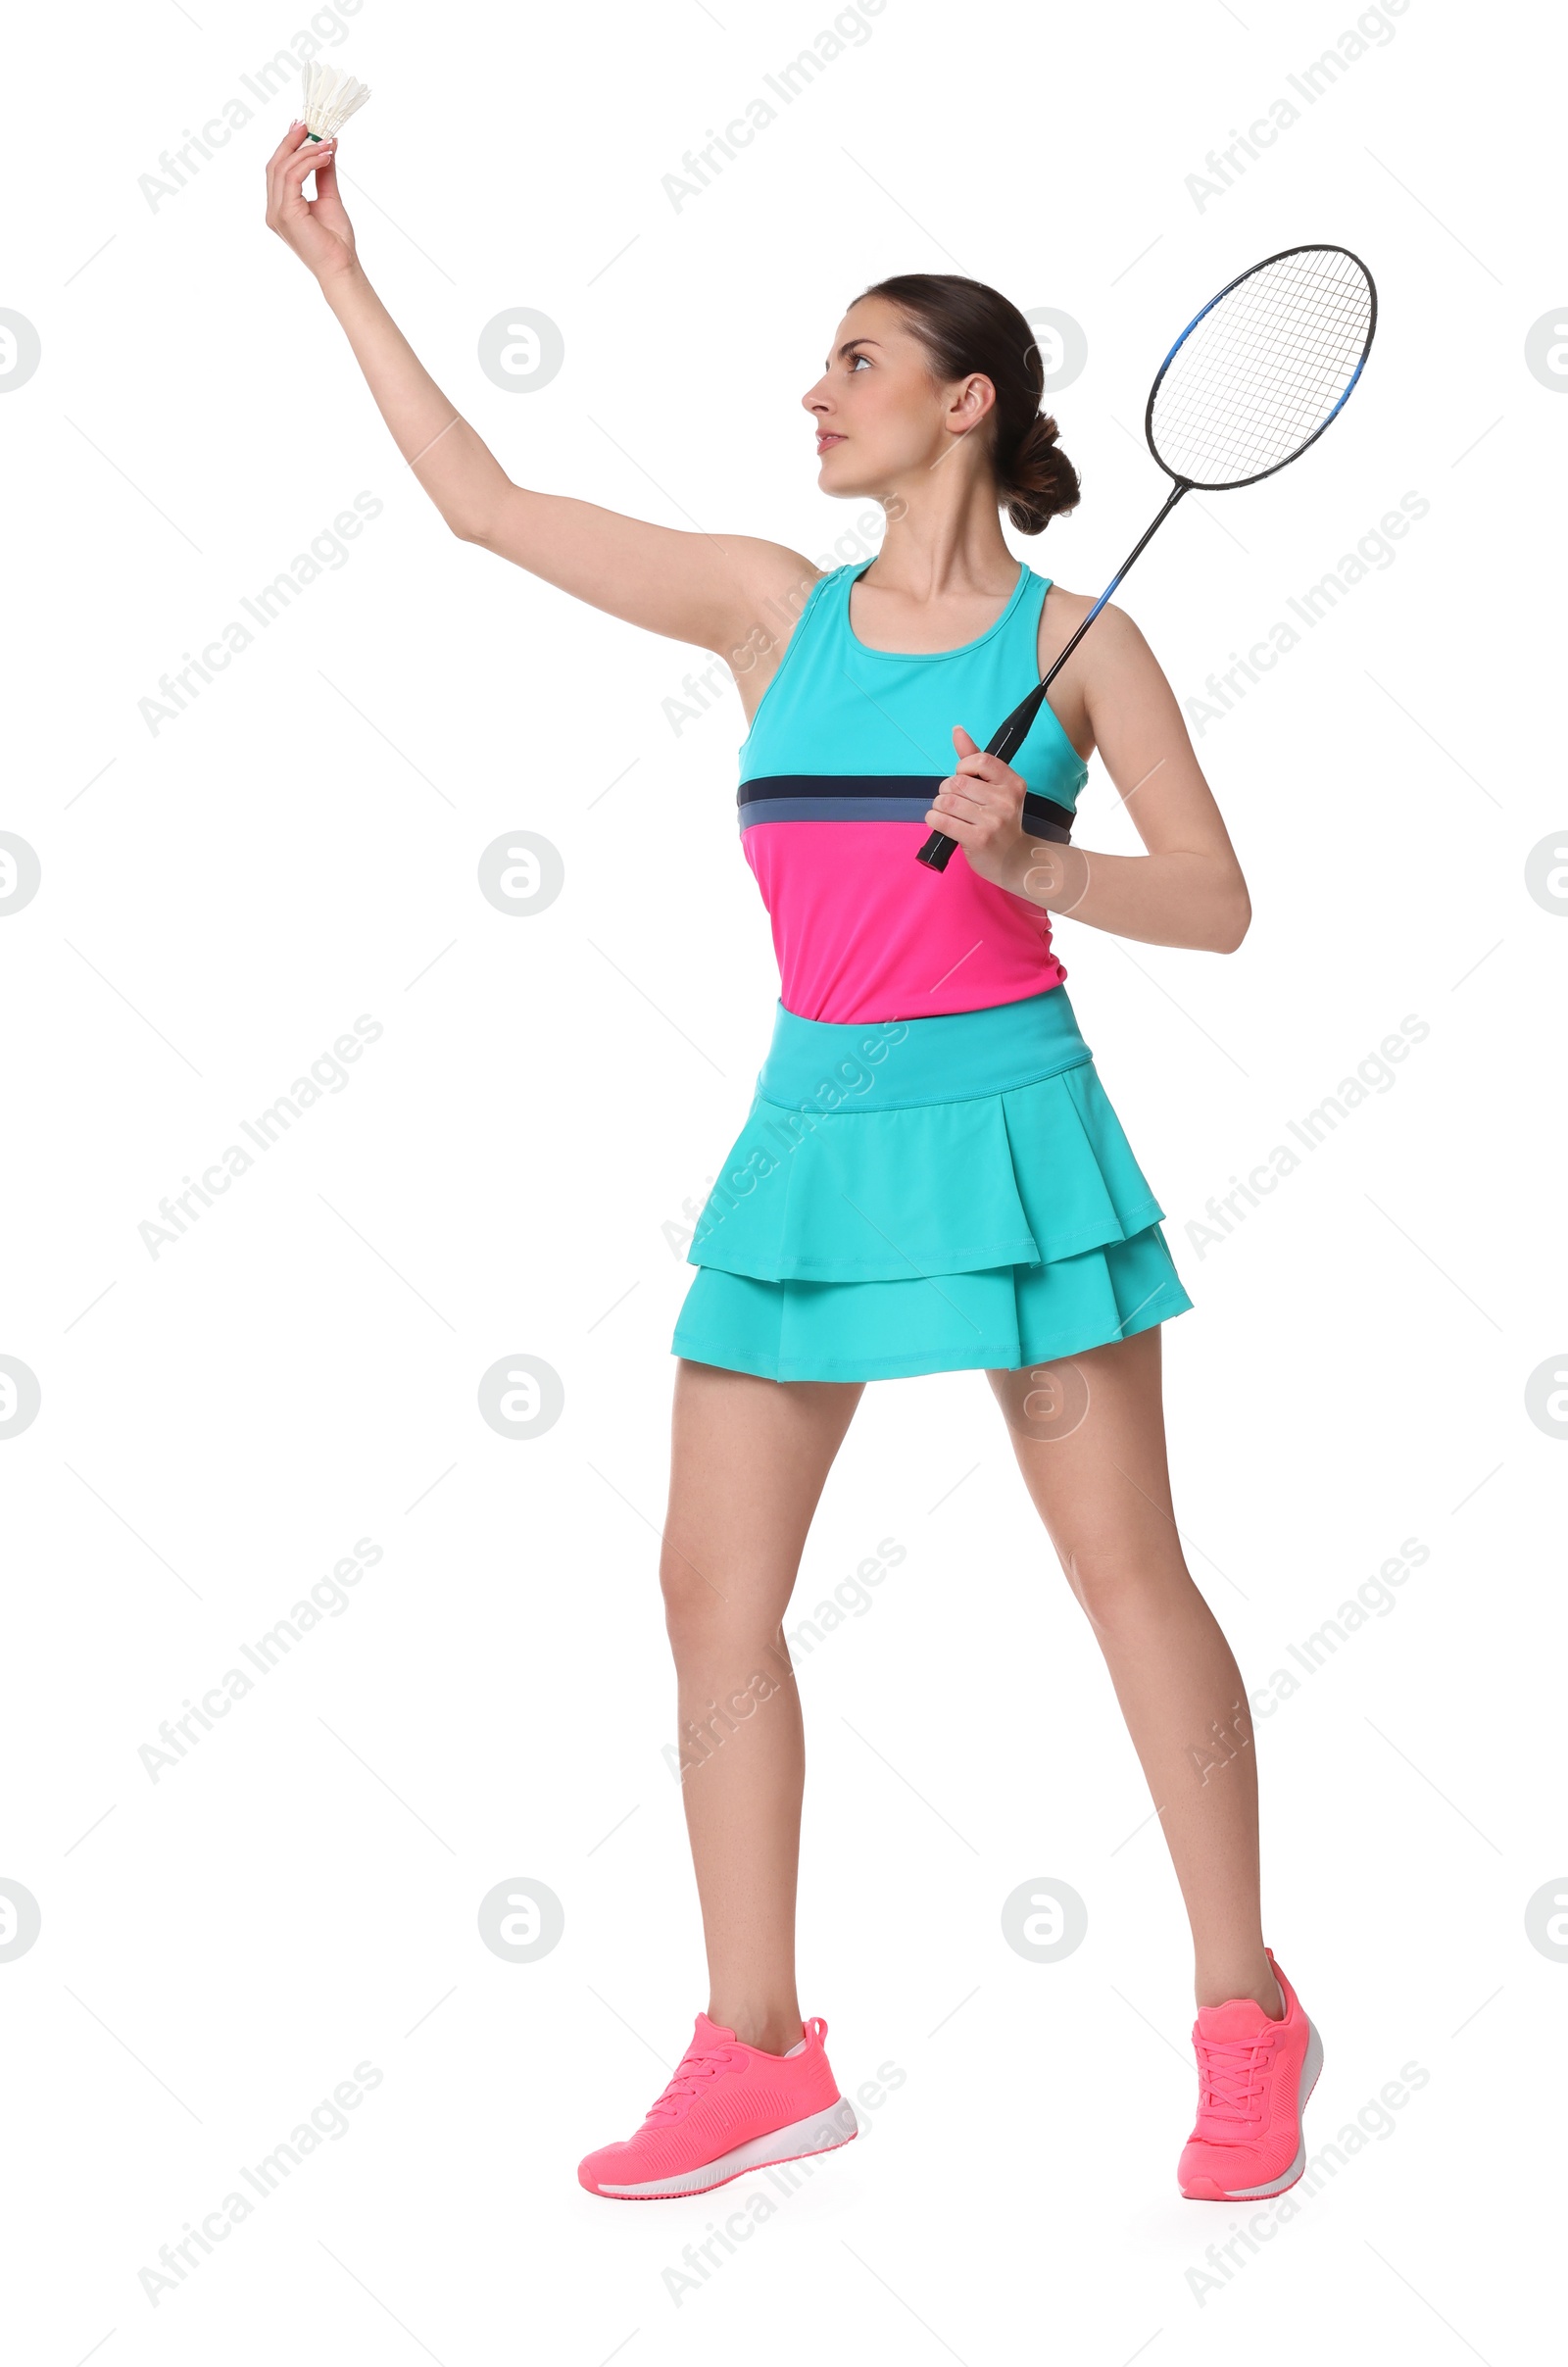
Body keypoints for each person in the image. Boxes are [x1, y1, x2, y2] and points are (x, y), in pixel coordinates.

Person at [266, 121, 1321, 2207]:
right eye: (814, 363)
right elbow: (484, 510)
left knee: (1121, 1576)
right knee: (704, 1589)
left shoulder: (1079, 642)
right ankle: (756, 2049)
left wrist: (1039, 856)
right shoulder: (771, 612)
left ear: (965, 400)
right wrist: (332, 269)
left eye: (850, 360)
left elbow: (1214, 900)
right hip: (810, 1126)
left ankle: (1242, 2013)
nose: (811, 395)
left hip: (1013, 1125)